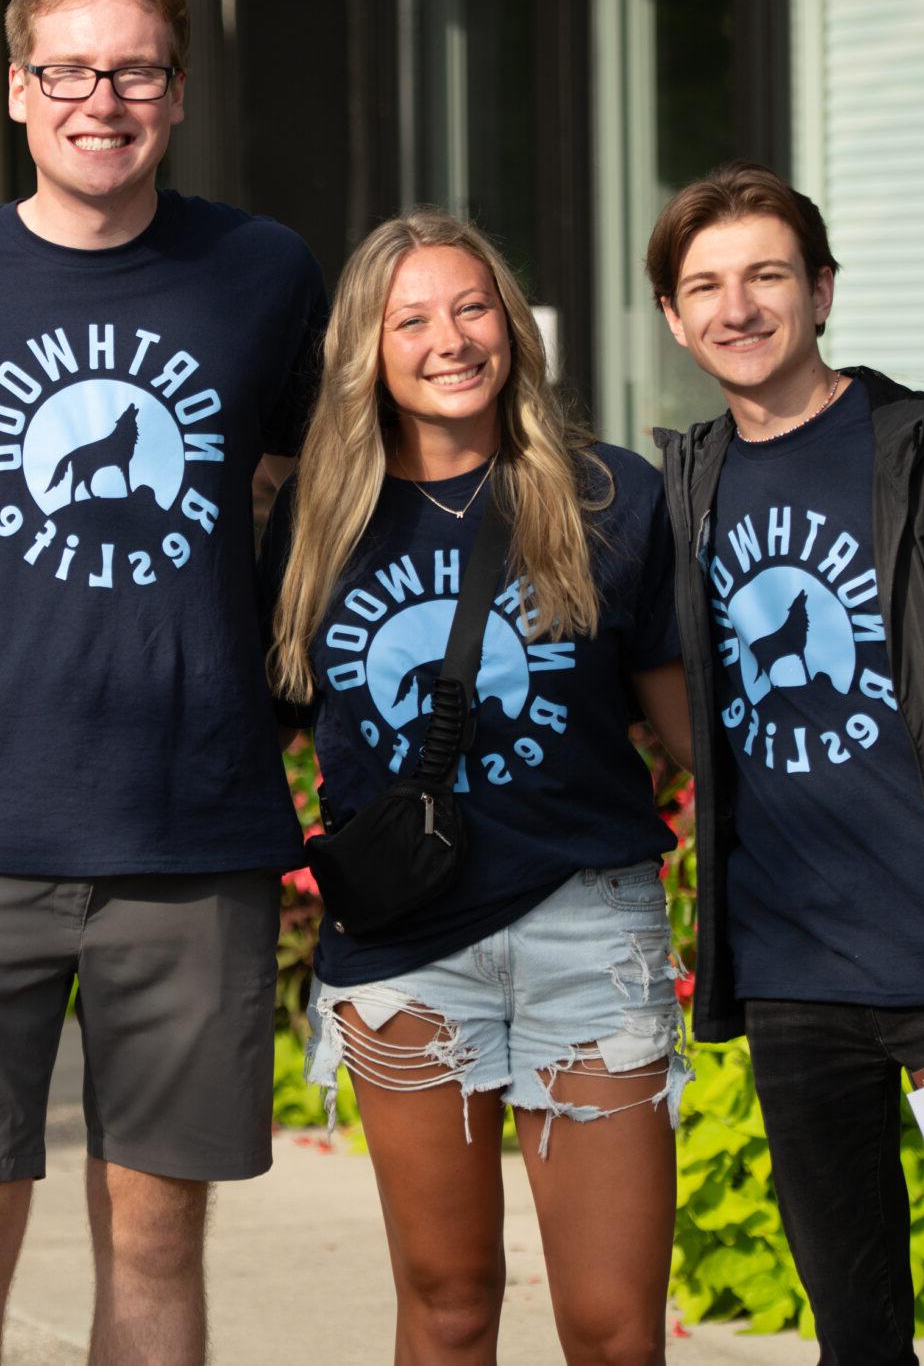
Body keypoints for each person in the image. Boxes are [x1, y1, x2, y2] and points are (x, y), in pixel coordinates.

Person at [0, 0, 327, 1366]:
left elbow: (311, 482)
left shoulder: (264, 270)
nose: (103, 98)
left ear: (177, 89)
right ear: (22, 87)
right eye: (71, 69)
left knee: (156, 1245)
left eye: (136, 69)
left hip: (196, 827)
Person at [647, 161, 924, 1361]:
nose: (736, 308)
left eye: (766, 276)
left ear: (822, 291)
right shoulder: (688, 484)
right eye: (705, 285)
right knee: (855, 1336)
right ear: (670, 315)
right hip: (799, 995)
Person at [262, 210, 696, 1364]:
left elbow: (688, 733)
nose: (449, 339)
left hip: (588, 930)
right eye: (410, 319)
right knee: (447, 1306)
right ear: (367, 348)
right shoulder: (315, 523)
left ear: (511, 325)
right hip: (406, 952)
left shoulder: (612, 496)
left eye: (471, 307)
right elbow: (252, 734)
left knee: (613, 1332)